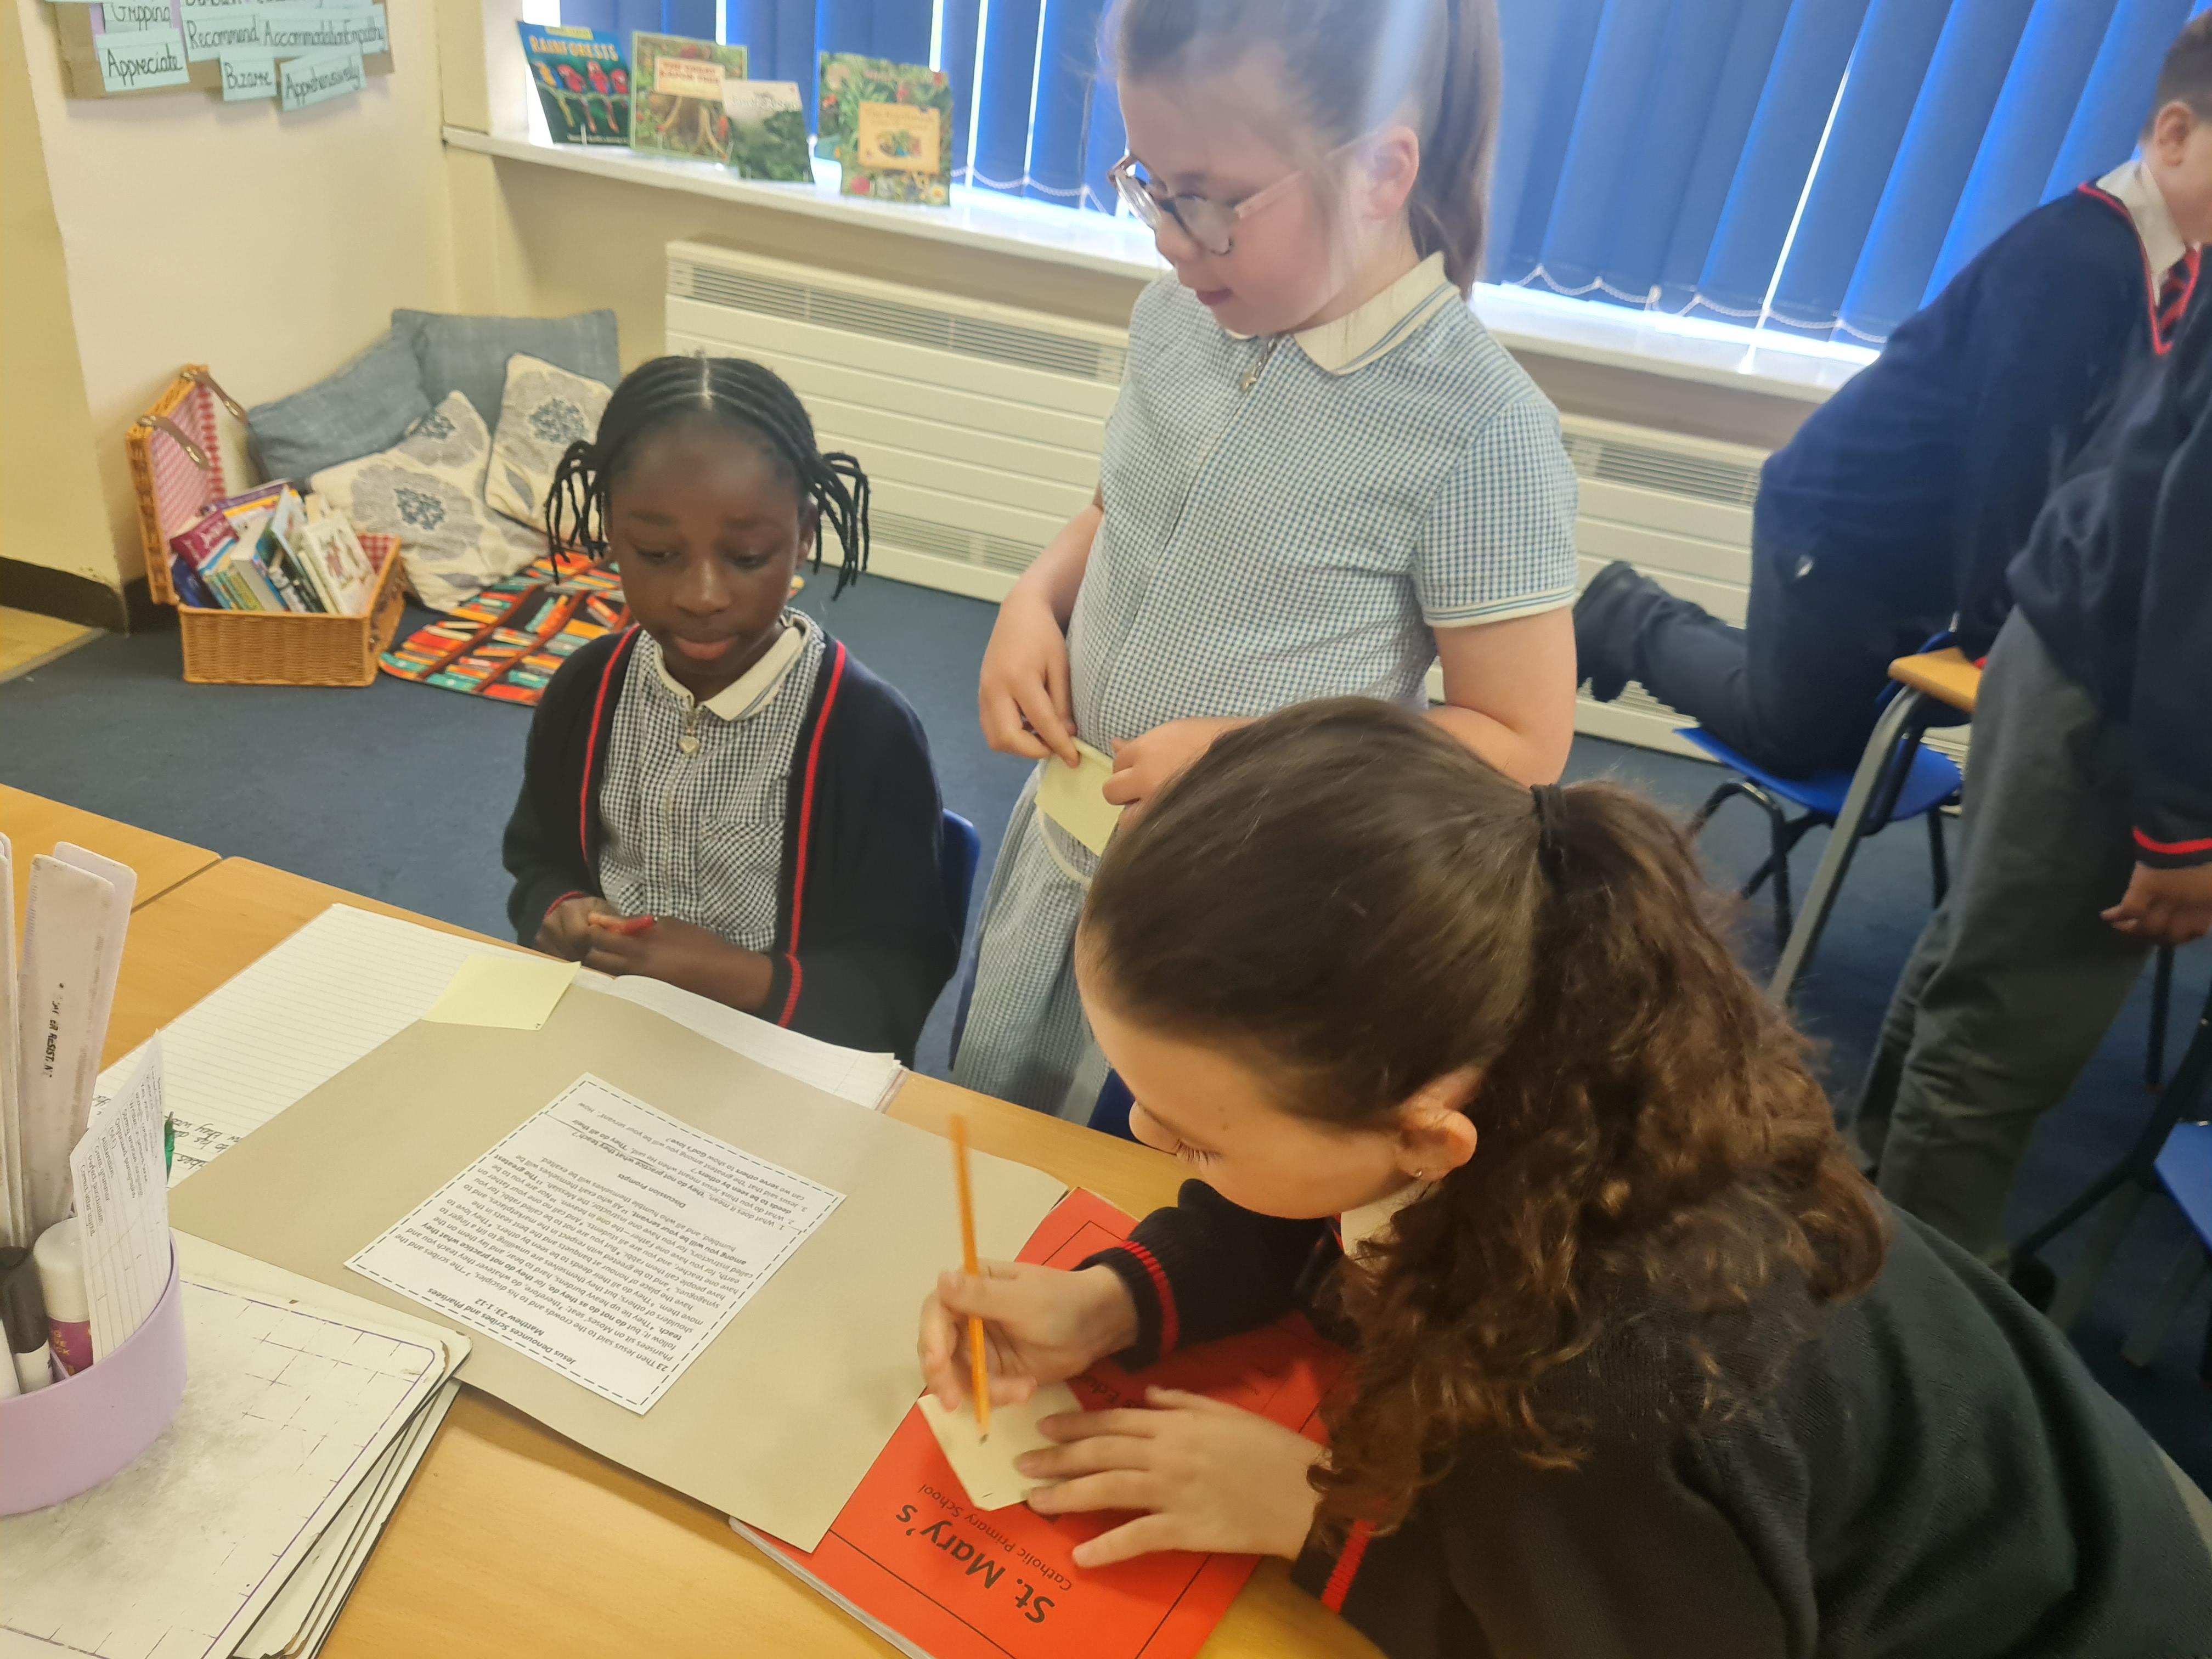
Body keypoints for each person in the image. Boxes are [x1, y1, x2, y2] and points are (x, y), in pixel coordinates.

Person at [917, 701, 2212, 1659]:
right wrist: (1119, 1297)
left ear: (1428, 1140)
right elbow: (1309, 1198)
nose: (1149, 1139)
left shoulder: (1611, 1382)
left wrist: (1317, 1525)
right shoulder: (1533, 1037)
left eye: (1199, 1138)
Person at [955, 0, 1582, 1118]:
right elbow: (1118, 510)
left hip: (1239, 923)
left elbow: (1522, 744)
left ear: (1379, 173)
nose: (1167, 236)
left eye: (1206, 200)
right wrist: (1033, 599)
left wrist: (1257, 762)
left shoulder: (1481, 429)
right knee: (996, 1126)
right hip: (1064, 852)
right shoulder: (1176, 318)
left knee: (1150, 1186)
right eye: (1149, 184)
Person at [1573, 14, 2212, 778]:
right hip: (1847, 521)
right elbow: (2011, 462)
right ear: (2175, 135)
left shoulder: (2177, 268)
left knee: (1846, 738)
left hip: (1919, 549)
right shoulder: (2077, 259)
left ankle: (1704, 641)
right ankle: (1626, 615)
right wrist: (1997, 631)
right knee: (1794, 739)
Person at [1855, 264, 2212, 1265]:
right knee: (2002, 1031)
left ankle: (1858, 1234)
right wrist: (2185, 826)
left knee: (1977, 974)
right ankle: (1926, 1311)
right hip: (2121, 692)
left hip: (2091, 648)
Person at [501, 356, 957, 1063]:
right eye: (657, 553)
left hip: (778, 1066)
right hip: (605, 1035)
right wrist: (560, 911)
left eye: (747, 556)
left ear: (804, 535)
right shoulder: (586, 692)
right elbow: (537, 860)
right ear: (611, 532)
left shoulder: (868, 736)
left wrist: (736, 977)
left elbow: (899, 980)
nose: (702, 596)